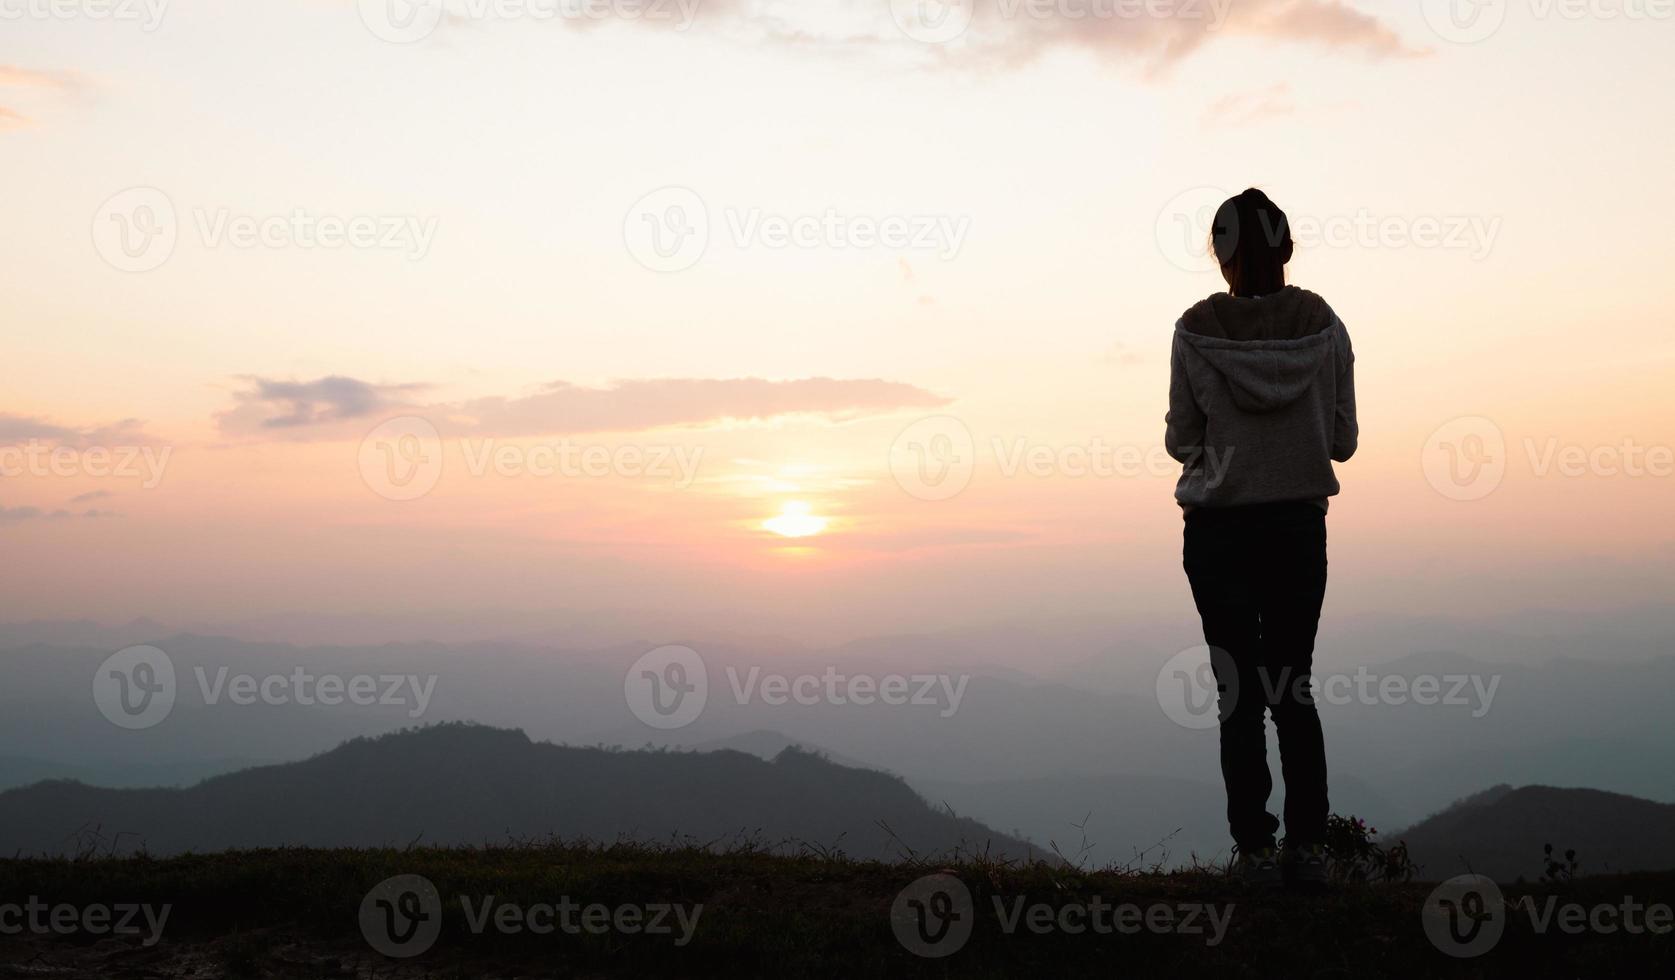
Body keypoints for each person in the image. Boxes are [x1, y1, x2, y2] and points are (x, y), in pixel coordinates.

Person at [1164, 188, 1358, 888]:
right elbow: (1341, 442)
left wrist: (1229, 446)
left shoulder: (1193, 330)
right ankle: (1307, 852)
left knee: (1236, 692)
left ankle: (1252, 852)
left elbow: (1181, 440)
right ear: (1285, 248)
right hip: (1295, 529)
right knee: (1290, 687)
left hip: (1217, 531)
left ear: (1221, 255)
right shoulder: (1324, 326)